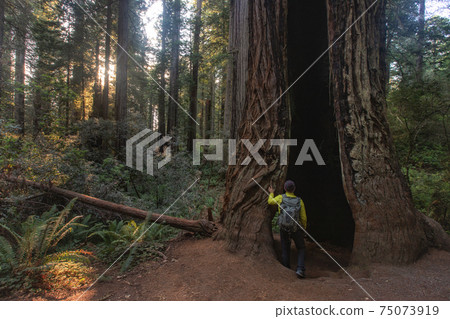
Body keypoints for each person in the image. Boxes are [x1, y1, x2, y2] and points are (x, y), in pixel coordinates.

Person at [268, 180, 307, 279]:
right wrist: (303, 228)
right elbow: (303, 217)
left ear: (284, 188)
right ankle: (300, 269)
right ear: (294, 189)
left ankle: (286, 267)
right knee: (301, 247)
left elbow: (270, 201)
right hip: (295, 229)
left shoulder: (281, 197)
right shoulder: (299, 201)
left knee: (285, 247)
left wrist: (271, 192)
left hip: (284, 228)